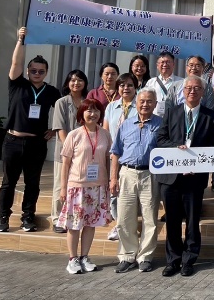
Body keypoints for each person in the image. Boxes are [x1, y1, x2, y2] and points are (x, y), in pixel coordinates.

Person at [155, 75, 214, 277]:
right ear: (182, 92)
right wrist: (177, 148)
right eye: (188, 88)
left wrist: (197, 161)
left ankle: (189, 260)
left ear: (203, 92)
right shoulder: (172, 112)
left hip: (195, 177)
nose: (192, 91)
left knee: (192, 221)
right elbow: (161, 139)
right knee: (172, 221)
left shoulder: (211, 116)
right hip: (171, 177)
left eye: (197, 88)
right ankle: (173, 260)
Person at [0, 27, 61, 233]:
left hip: (36, 143)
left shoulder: (51, 91)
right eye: (33, 70)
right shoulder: (18, 84)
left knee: (32, 183)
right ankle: (2, 217)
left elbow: (63, 110)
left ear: (46, 72)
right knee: (8, 182)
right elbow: (15, 63)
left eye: (41, 71)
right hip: (13, 141)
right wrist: (20, 40)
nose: (37, 74)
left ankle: (28, 217)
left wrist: (54, 130)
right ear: (27, 71)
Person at [56, 99, 112, 275]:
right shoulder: (74, 135)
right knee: (74, 224)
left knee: (91, 223)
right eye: (89, 110)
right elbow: (65, 164)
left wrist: (109, 181)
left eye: (96, 111)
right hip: (77, 187)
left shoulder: (105, 134)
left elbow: (107, 160)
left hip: (97, 186)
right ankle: (72, 259)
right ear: (82, 113)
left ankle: (84, 256)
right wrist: (63, 188)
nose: (93, 114)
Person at [110, 88, 161, 273]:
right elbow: (116, 152)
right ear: (136, 103)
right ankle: (127, 255)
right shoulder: (126, 124)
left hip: (150, 174)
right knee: (125, 217)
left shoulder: (161, 124)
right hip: (127, 173)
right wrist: (113, 178)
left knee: (150, 218)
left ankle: (145, 256)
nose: (145, 104)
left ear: (155, 104)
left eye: (149, 101)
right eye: (142, 101)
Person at [51, 69, 89, 232]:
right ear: (67, 83)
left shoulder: (88, 102)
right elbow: (60, 129)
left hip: (84, 153)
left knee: (80, 186)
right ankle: (57, 219)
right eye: (73, 80)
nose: (76, 83)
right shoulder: (61, 102)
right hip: (65, 153)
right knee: (61, 185)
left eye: (80, 80)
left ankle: (76, 217)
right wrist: (71, 150)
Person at [102, 73, 138, 241]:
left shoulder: (141, 105)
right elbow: (106, 131)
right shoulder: (111, 107)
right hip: (114, 155)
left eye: (130, 85)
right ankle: (119, 224)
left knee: (131, 193)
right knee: (114, 191)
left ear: (136, 87)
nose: (126, 88)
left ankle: (129, 225)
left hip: (133, 156)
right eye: (122, 85)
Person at [145, 51, 183, 117]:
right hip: (154, 118)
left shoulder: (181, 82)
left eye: (168, 62)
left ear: (173, 64)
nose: (165, 65)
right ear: (157, 65)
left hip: (174, 118)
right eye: (162, 62)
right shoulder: (151, 82)